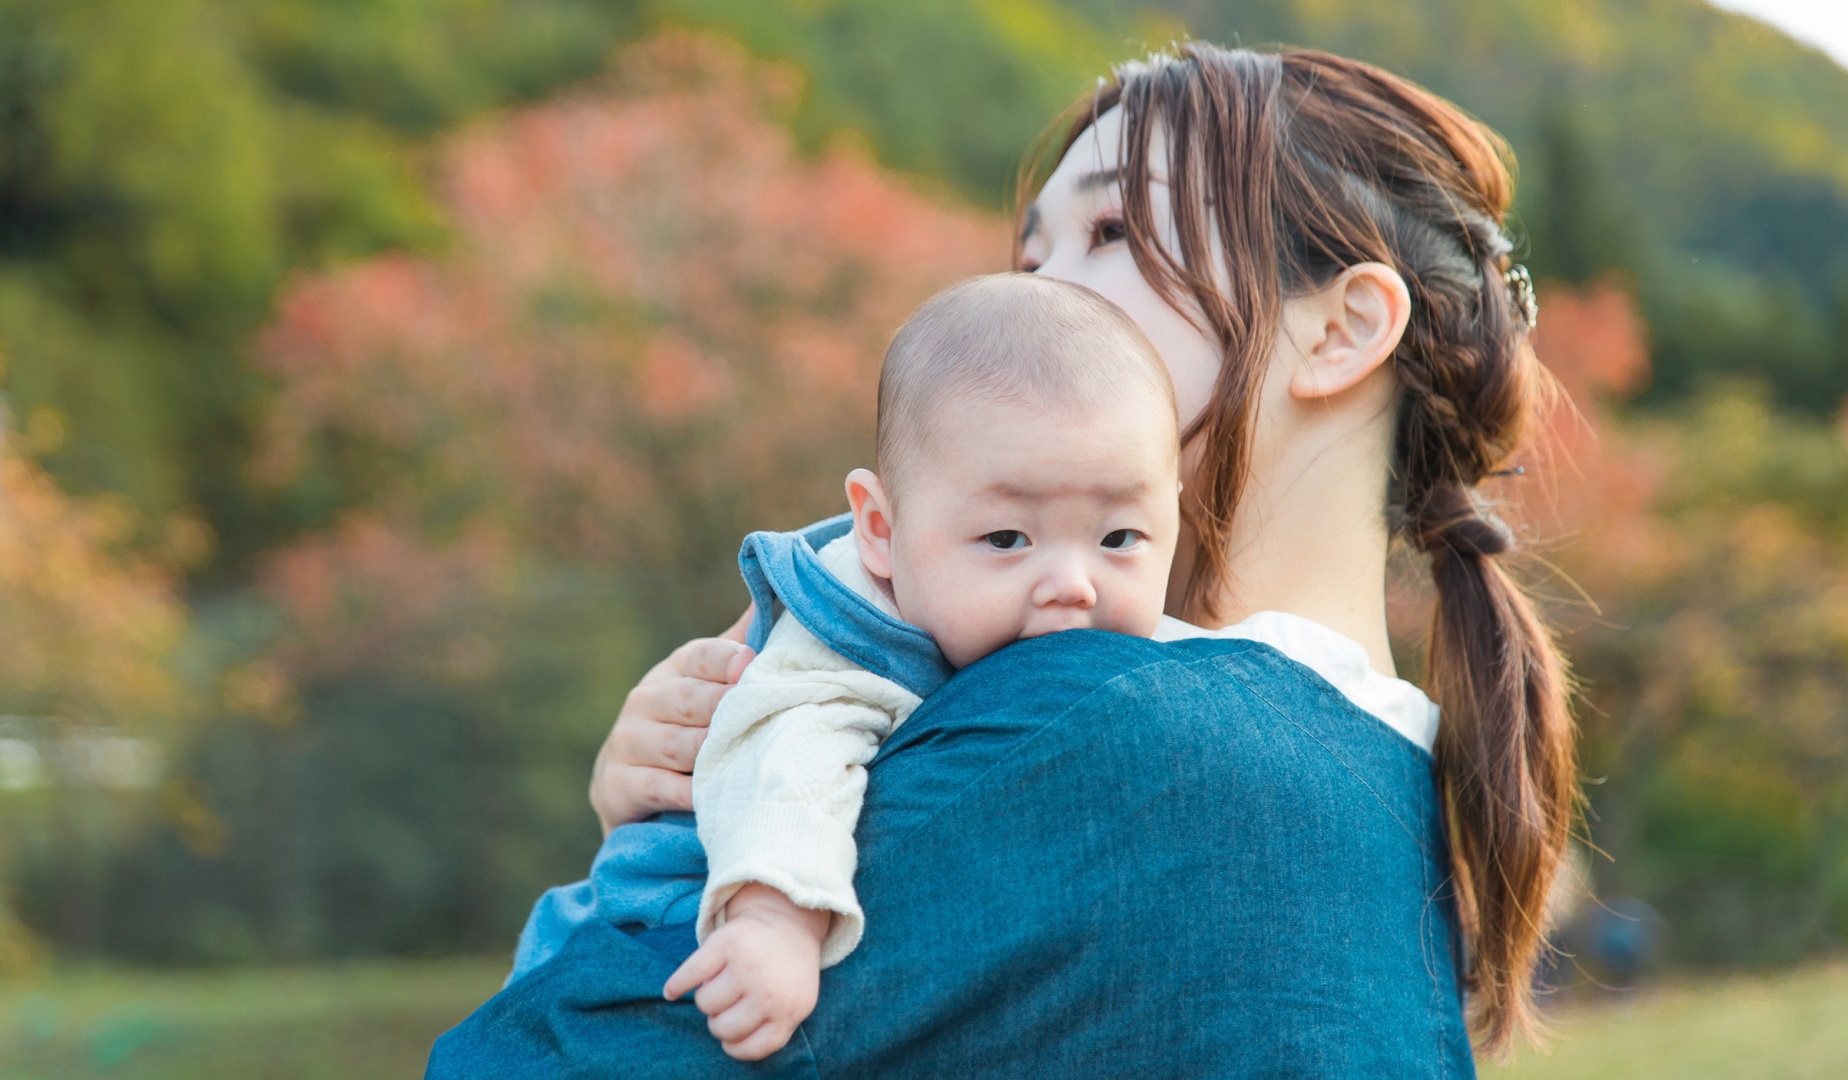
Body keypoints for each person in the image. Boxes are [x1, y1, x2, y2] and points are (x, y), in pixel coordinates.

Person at [431, 41, 1576, 1078]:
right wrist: (692, 810)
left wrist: (628, 886)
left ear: (1342, 329)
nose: (1036, 306)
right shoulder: (1387, 780)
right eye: (1029, 260)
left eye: (1114, 233)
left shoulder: (1108, 723)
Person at [507, 273, 1185, 1061]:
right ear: (879, 529)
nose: (1074, 584)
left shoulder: (1066, 626)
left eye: (1120, 538)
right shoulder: (852, 636)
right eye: (1006, 539)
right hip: (671, 917)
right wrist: (775, 920)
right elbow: (785, 766)